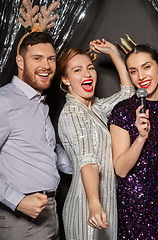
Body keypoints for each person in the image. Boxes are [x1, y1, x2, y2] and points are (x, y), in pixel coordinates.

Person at [0, 31, 73, 240]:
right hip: (20, 220)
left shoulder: (38, 102)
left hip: (50, 211)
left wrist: (87, 165)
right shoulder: (2, 102)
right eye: (37, 58)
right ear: (20, 61)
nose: (46, 65)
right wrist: (17, 200)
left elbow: (48, 149)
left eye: (51, 59)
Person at [108, 44, 158, 239]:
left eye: (147, 67)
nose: (141, 76)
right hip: (138, 212)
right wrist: (141, 137)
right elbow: (120, 169)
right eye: (133, 71)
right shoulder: (123, 111)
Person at [57, 39, 134, 240]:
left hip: (105, 200)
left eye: (90, 68)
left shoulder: (95, 108)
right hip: (87, 203)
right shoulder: (72, 113)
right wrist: (94, 203)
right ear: (65, 80)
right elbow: (87, 160)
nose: (87, 74)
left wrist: (115, 54)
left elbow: (128, 95)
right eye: (77, 70)